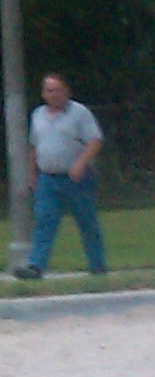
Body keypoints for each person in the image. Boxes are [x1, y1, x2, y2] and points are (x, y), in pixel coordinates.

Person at [19, 73, 105, 280]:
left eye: (57, 90)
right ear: (43, 94)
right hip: (47, 178)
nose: (54, 94)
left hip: (77, 179)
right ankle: (35, 267)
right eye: (49, 90)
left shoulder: (79, 112)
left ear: (66, 91)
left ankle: (97, 267)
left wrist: (81, 163)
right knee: (43, 221)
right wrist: (32, 174)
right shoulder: (38, 115)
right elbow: (34, 146)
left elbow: (95, 140)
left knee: (87, 222)